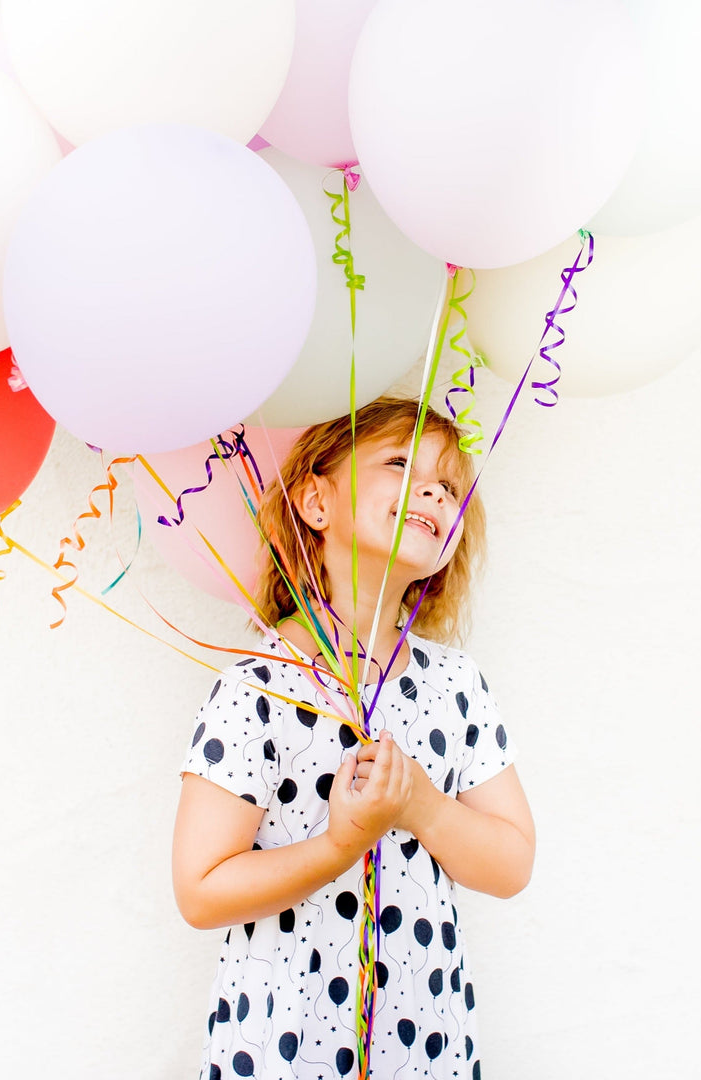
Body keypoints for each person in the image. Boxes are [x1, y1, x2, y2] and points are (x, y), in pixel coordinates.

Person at [173, 397, 536, 1079]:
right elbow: (201, 889)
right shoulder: (260, 687)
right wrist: (342, 843)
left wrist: (422, 807)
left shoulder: (455, 685)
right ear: (316, 501)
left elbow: (511, 862)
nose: (433, 488)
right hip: (284, 1041)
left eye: (450, 484)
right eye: (401, 463)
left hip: (424, 1041)